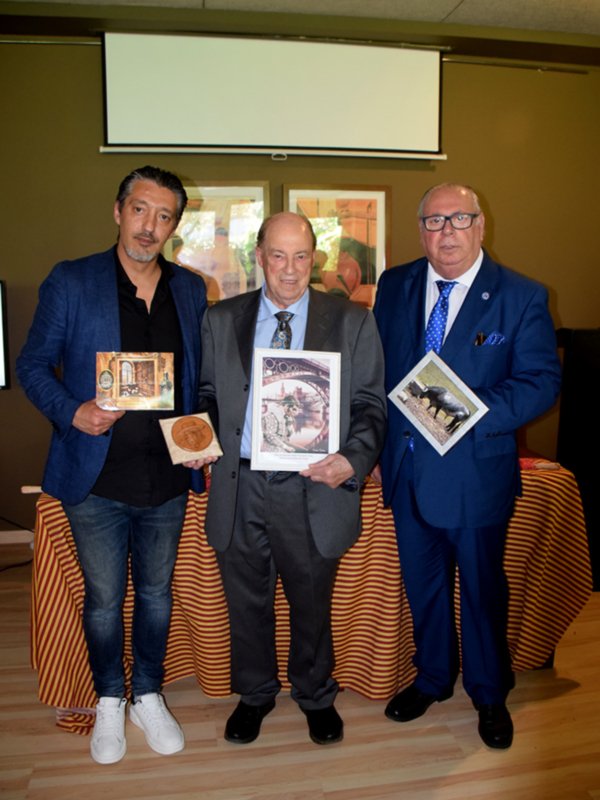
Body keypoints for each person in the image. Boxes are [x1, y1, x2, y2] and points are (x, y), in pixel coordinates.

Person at [16, 166, 208, 764]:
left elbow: (199, 382)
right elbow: (31, 366)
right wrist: (71, 411)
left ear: (176, 224)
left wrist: (200, 431)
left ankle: (147, 692)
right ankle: (108, 698)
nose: (151, 226)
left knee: (155, 596)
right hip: (95, 479)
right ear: (118, 211)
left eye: (165, 215)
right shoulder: (72, 281)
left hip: (168, 477)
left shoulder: (191, 288)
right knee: (103, 600)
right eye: (142, 210)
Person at [187, 212, 387, 746]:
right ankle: (254, 695)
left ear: (313, 259)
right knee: (246, 601)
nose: (291, 269)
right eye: (279, 255)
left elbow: (371, 407)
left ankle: (315, 694)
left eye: (302, 256)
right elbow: (207, 395)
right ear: (260, 256)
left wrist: (353, 458)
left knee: (311, 600)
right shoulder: (221, 318)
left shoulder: (352, 321)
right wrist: (196, 439)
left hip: (313, 485)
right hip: (242, 484)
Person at [373, 183, 561, 749]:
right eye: (434, 221)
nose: (446, 231)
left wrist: (460, 413)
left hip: (475, 474)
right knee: (423, 589)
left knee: (481, 591)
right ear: (420, 229)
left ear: (482, 226)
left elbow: (540, 384)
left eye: (459, 219)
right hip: (405, 472)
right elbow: (379, 372)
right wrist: (377, 445)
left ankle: (487, 692)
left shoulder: (522, 295)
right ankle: (431, 678)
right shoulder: (395, 283)